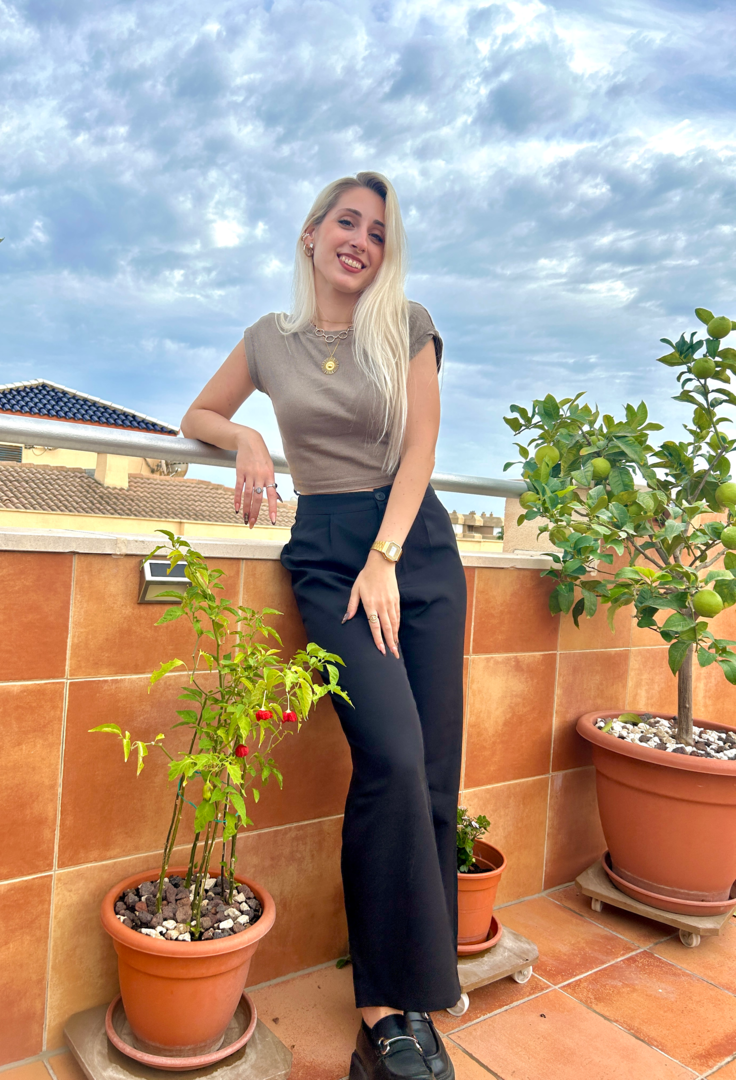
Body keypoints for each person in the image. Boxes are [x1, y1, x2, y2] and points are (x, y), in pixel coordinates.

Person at [180, 171, 466, 1080]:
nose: (361, 242)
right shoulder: (271, 339)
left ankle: (421, 993)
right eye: (347, 222)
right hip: (329, 550)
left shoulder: (407, 324)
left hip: (413, 547)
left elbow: (421, 447)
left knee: (433, 772)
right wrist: (247, 439)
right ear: (310, 233)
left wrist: (387, 557)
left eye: (378, 232)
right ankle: (382, 1012)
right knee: (392, 756)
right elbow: (199, 413)